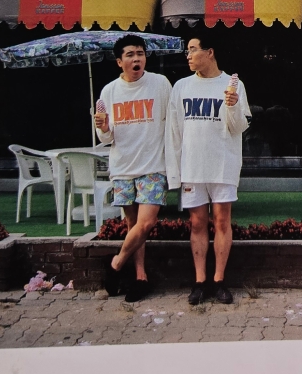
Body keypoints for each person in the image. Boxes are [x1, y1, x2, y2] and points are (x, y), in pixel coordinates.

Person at [165, 31, 251, 305]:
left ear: (210, 52)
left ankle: (219, 281)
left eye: (193, 49)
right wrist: (175, 171)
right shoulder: (181, 87)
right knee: (197, 223)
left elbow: (239, 127)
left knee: (222, 222)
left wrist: (233, 106)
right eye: (187, 51)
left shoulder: (233, 85)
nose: (188, 56)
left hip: (223, 165)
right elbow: (174, 132)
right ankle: (200, 281)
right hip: (192, 166)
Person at [93, 34, 172, 303]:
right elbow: (106, 137)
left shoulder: (160, 84)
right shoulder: (109, 91)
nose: (136, 58)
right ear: (119, 61)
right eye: (130, 54)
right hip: (123, 167)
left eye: (140, 53)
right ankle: (140, 277)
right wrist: (103, 128)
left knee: (146, 223)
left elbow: (172, 120)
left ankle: (115, 264)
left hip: (153, 165)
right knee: (133, 225)